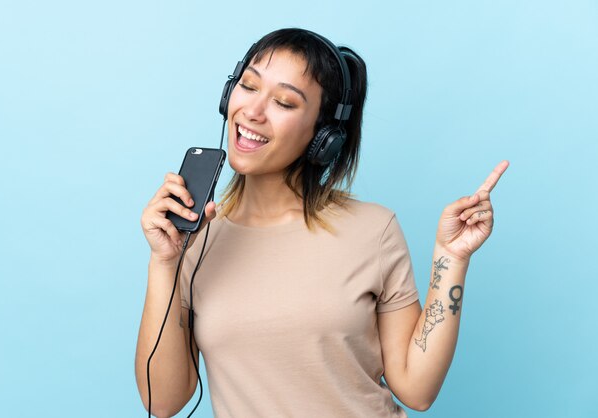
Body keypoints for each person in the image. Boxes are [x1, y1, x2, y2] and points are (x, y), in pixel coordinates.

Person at [134, 28, 509, 418]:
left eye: (283, 102)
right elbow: (162, 402)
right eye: (248, 86)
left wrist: (451, 258)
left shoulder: (373, 230)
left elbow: (417, 390)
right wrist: (164, 263)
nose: (253, 111)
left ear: (323, 136)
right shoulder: (192, 241)